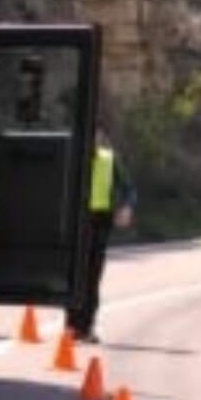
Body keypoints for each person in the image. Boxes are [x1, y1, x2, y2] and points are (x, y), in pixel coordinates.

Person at [67, 134, 136, 343]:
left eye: (96, 136)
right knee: (74, 276)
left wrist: (126, 207)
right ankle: (71, 326)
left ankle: (85, 327)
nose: (93, 140)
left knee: (92, 277)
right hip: (75, 223)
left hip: (99, 223)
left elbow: (128, 188)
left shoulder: (108, 159)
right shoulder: (72, 156)